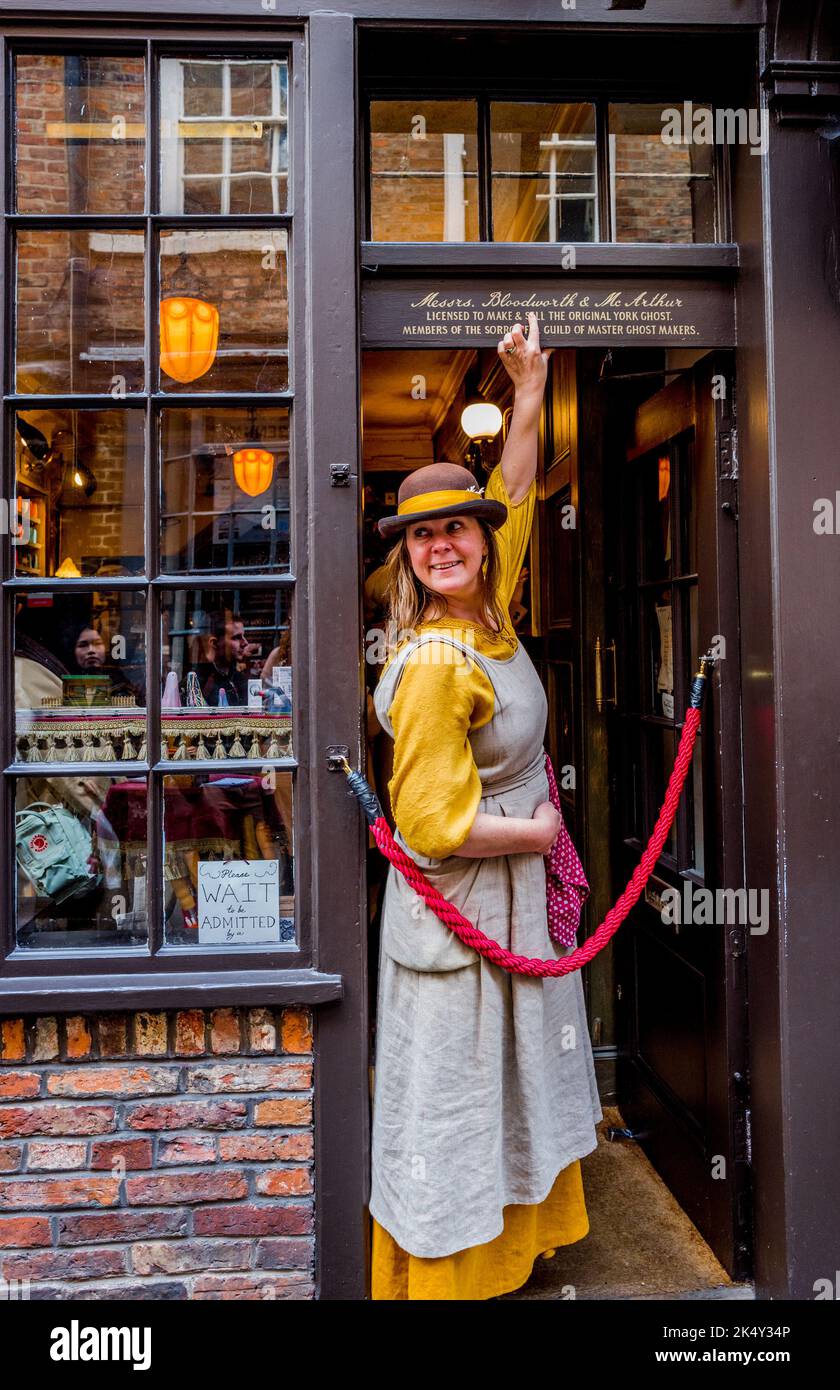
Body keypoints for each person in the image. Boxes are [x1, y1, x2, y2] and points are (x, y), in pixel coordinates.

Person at [369, 312, 603, 1300]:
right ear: (409, 557)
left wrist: (531, 390)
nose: (444, 546)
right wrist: (541, 831)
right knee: (458, 1098)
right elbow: (433, 827)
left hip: (506, 903)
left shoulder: (489, 608)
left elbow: (512, 488)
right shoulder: (431, 662)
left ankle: (513, 1248)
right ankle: (448, 1275)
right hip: (461, 914)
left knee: (514, 1081)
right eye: (425, 536)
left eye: (455, 528)